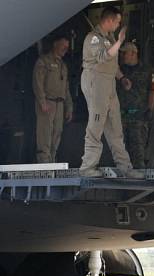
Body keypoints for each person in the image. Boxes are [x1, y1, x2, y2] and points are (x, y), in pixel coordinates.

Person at [79, 6, 143, 178]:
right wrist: (119, 42)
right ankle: (87, 167)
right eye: (117, 21)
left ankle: (125, 167)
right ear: (109, 20)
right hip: (96, 82)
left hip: (109, 84)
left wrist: (121, 78)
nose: (118, 25)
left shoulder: (109, 38)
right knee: (96, 124)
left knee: (115, 126)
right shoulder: (93, 38)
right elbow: (103, 57)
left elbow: (112, 64)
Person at [32, 35, 73, 163]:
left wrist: (69, 107)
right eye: (63, 46)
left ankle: (52, 162)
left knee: (57, 133)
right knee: (45, 134)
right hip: (47, 102)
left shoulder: (63, 65)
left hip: (59, 104)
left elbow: (66, 88)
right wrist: (42, 102)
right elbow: (37, 83)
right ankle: (44, 164)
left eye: (67, 47)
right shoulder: (44, 61)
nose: (65, 49)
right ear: (55, 44)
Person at [118, 42, 154, 169]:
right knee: (121, 150)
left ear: (134, 53)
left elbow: (153, 90)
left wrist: (150, 109)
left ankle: (139, 179)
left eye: (125, 53)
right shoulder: (119, 71)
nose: (123, 55)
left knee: (138, 151)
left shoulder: (147, 70)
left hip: (139, 116)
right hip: (122, 115)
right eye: (122, 53)